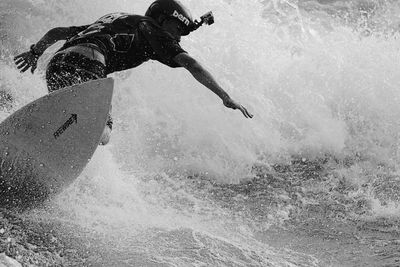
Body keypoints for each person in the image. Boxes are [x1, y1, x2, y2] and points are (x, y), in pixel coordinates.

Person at [14, 0, 253, 145]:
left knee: (66, 118)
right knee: (102, 130)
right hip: (90, 61)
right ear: (163, 20)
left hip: (57, 64)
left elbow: (59, 31)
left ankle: (34, 139)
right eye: (177, 28)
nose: (178, 36)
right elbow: (193, 65)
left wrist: (35, 52)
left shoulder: (119, 20)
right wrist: (225, 96)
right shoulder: (153, 29)